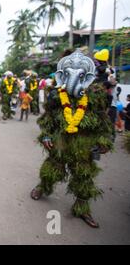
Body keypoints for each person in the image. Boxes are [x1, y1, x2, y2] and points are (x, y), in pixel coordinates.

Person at [30, 49, 113, 228]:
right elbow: (48, 118)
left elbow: (104, 120)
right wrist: (45, 134)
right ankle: (43, 187)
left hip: (84, 144)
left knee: (84, 177)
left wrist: (105, 141)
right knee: (52, 169)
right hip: (60, 140)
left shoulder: (95, 94)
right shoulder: (56, 93)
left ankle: (82, 208)